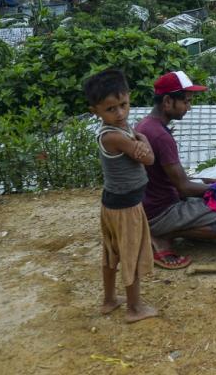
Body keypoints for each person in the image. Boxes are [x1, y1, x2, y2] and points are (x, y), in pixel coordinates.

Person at [136, 71, 216, 269]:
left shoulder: (145, 125)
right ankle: (162, 233)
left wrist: (206, 184)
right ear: (167, 101)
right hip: (161, 211)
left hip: (147, 205)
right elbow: (183, 187)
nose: (189, 108)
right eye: (186, 101)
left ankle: (159, 230)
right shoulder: (160, 136)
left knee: (205, 190)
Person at [84, 69, 158, 323]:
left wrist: (138, 137)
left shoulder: (117, 129)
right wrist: (144, 138)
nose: (120, 113)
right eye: (111, 109)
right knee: (131, 253)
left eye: (124, 105)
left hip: (112, 203)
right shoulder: (115, 136)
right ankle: (134, 308)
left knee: (111, 253)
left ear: (129, 98)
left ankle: (109, 300)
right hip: (127, 207)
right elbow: (149, 158)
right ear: (95, 110)